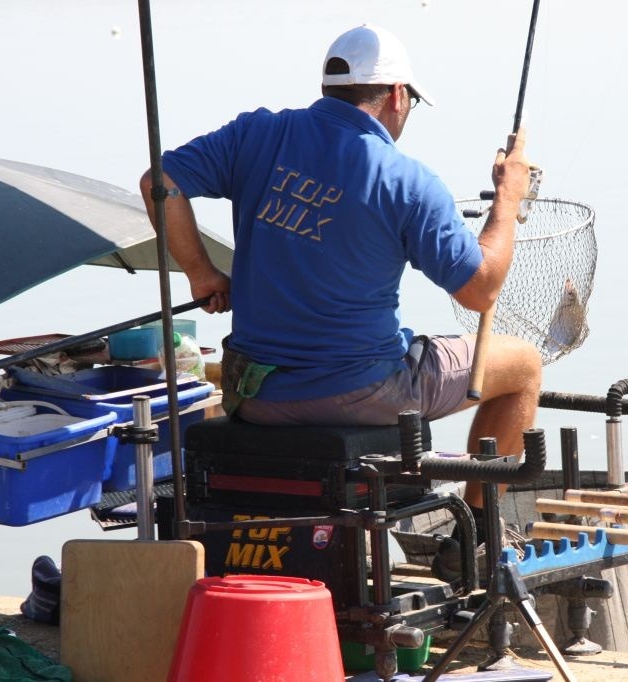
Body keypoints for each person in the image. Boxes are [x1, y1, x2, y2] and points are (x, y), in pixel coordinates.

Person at [141, 24, 541, 576]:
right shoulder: (407, 179)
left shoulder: (258, 134)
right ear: (397, 96)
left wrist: (201, 273)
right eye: (411, 103)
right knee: (522, 364)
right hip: (358, 391)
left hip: (254, 394)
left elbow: (161, 182)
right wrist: (508, 198)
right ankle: (471, 535)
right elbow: (480, 290)